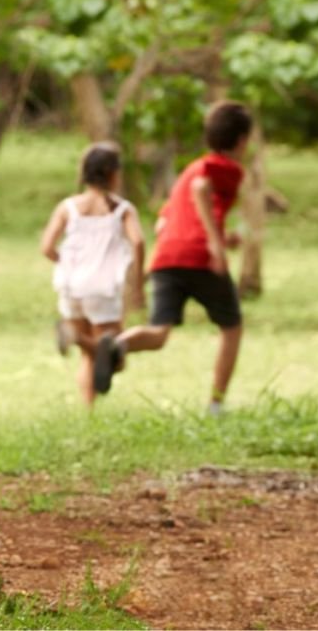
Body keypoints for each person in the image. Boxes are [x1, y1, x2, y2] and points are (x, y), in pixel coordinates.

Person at [93, 101, 254, 417]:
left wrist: (221, 236)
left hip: (167, 257)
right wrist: (216, 246)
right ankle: (216, 404)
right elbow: (201, 189)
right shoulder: (224, 168)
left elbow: (163, 222)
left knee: (159, 334)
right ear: (241, 140)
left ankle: (117, 345)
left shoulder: (189, 169)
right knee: (232, 327)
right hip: (200, 258)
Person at [40, 141, 144, 407]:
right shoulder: (122, 210)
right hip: (103, 288)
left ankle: (89, 410)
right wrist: (138, 282)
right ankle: (76, 339)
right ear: (113, 174)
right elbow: (139, 242)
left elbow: (46, 247)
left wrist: (65, 263)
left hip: (70, 286)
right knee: (115, 357)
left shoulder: (68, 207)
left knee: (91, 355)